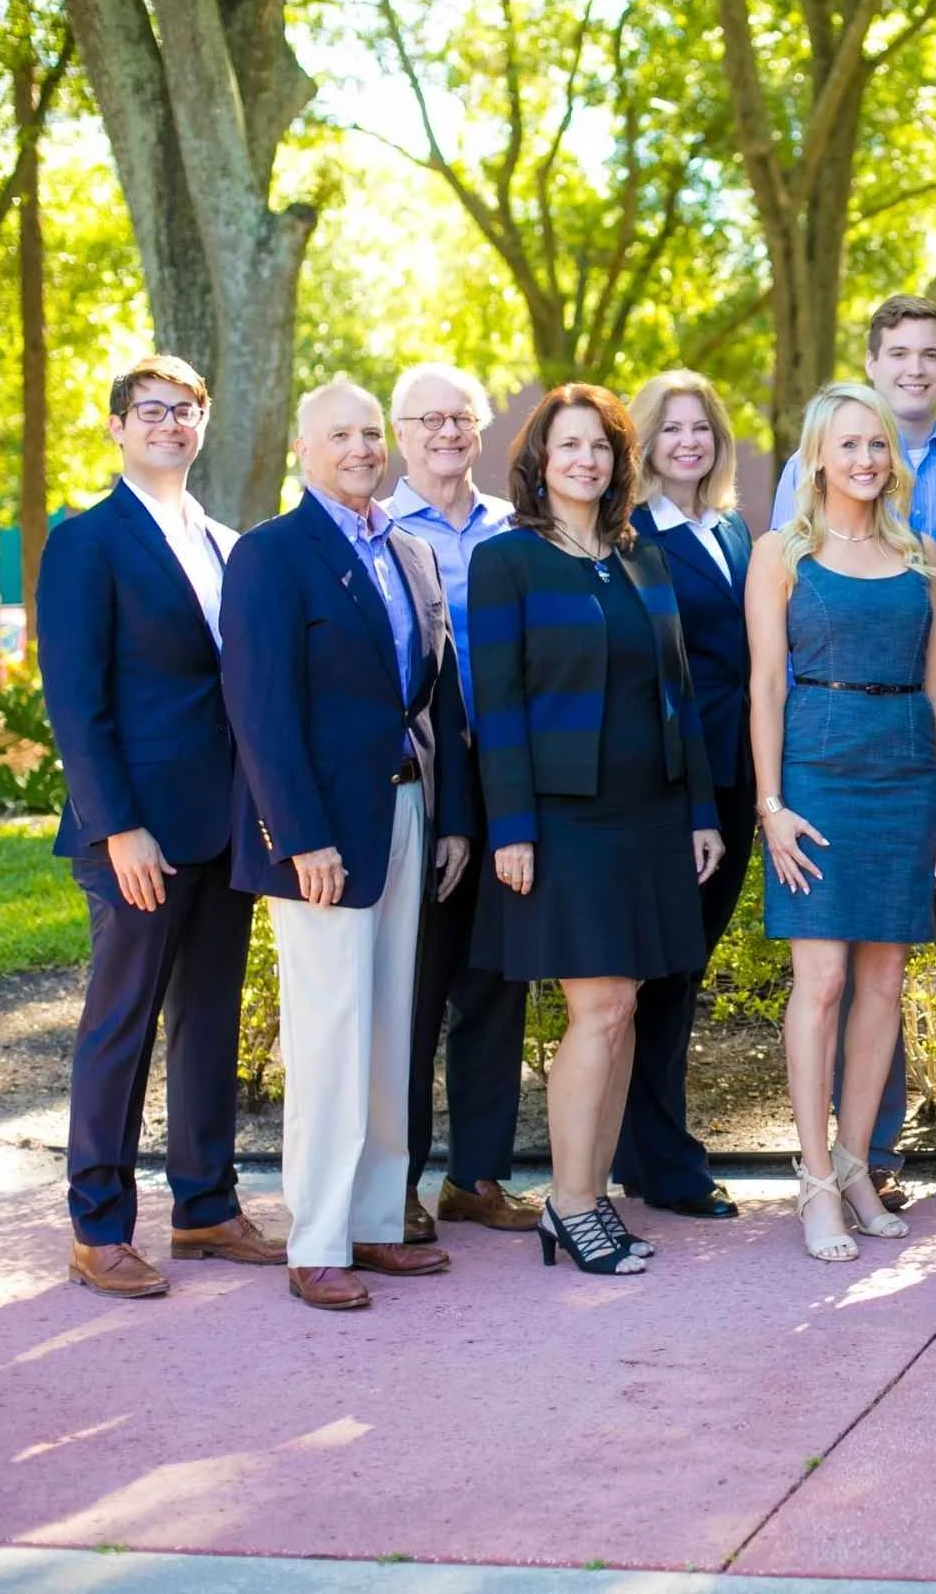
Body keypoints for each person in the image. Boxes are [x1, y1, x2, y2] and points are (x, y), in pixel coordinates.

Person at [222, 378, 476, 1312]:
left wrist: (450, 818)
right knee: (330, 1035)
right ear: (304, 449)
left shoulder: (408, 550)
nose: (363, 446)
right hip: (322, 834)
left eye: (372, 431)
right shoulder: (271, 555)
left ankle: (377, 1217)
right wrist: (300, 839)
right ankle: (318, 1238)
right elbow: (260, 711)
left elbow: (435, 692)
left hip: (409, 812)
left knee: (390, 1028)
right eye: (343, 433)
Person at [466, 384, 726, 1275]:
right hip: (564, 819)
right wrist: (512, 827)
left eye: (602, 447)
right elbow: (495, 704)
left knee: (628, 1009)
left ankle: (592, 1197)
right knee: (600, 1006)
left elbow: (680, 693)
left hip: (651, 814)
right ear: (540, 460)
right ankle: (570, 1202)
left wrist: (699, 810)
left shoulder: (638, 556)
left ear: (620, 462)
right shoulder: (507, 561)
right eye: (569, 445)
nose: (586, 460)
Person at [38, 354, 283, 1298]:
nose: (170, 423)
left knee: (209, 1019)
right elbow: (78, 704)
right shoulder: (86, 542)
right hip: (136, 830)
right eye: (152, 410)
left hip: (223, 824)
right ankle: (97, 1225)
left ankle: (205, 1205)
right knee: (122, 1023)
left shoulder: (225, 541)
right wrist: (118, 827)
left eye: (186, 410)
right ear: (117, 426)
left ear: (203, 424)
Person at [770, 296, 936, 1206]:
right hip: (834, 740)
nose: (916, 368)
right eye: (899, 353)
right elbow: (784, 647)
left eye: (932, 354)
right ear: (871, 364)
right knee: (847, 961)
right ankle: (860, 1152)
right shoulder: (804, 489)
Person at [749, 382, 936, 1262]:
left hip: (905, 773)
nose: (867, 462)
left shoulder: (920, 552)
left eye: (878, 446)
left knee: (883, 983)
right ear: (816, 457)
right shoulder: (781, 552)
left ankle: (854, 1168)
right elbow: (767, 684)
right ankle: (811, 1178)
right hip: (816, 772)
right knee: (825, 982)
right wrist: (771, 804)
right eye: (849, 447)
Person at [382, 362, 536, 1243]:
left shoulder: (514, 530)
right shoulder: (378, 527)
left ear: (480, 430)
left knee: (496, 982)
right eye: (427, 419)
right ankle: (395, 1181)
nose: (447, 432)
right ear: (402, 432)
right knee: (414, 984)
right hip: (423, 776)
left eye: (461, 418)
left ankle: (476, 1175)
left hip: (506, 771)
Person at [615, 368, 754, 1222]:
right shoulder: (634, 538)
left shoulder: (734, 529)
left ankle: (645, 1148)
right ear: (645, 443)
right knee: (661, 970)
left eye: (701, 428)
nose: (689, 443)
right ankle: (662, 1160)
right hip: (676, 781)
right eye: (671, 430)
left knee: (684, 968)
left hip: (740, 773)